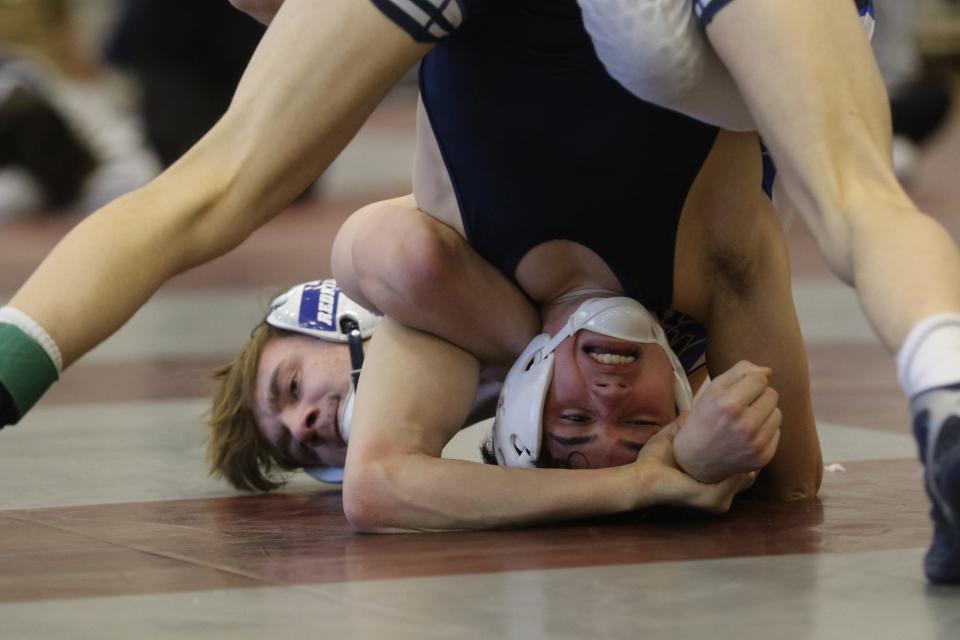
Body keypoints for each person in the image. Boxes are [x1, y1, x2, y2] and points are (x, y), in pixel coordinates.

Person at [0, 0, 952, 580]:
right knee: (856, 198)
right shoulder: (724, 271)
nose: (609, 405)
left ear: (513, 394)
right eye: (627, 428)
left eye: (568, 427)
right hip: (686, 41)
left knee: (214, 182)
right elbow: (787, 485)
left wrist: (633, 482)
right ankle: (946, 391)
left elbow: (377, 483)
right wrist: (689, 467)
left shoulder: (438, 290)